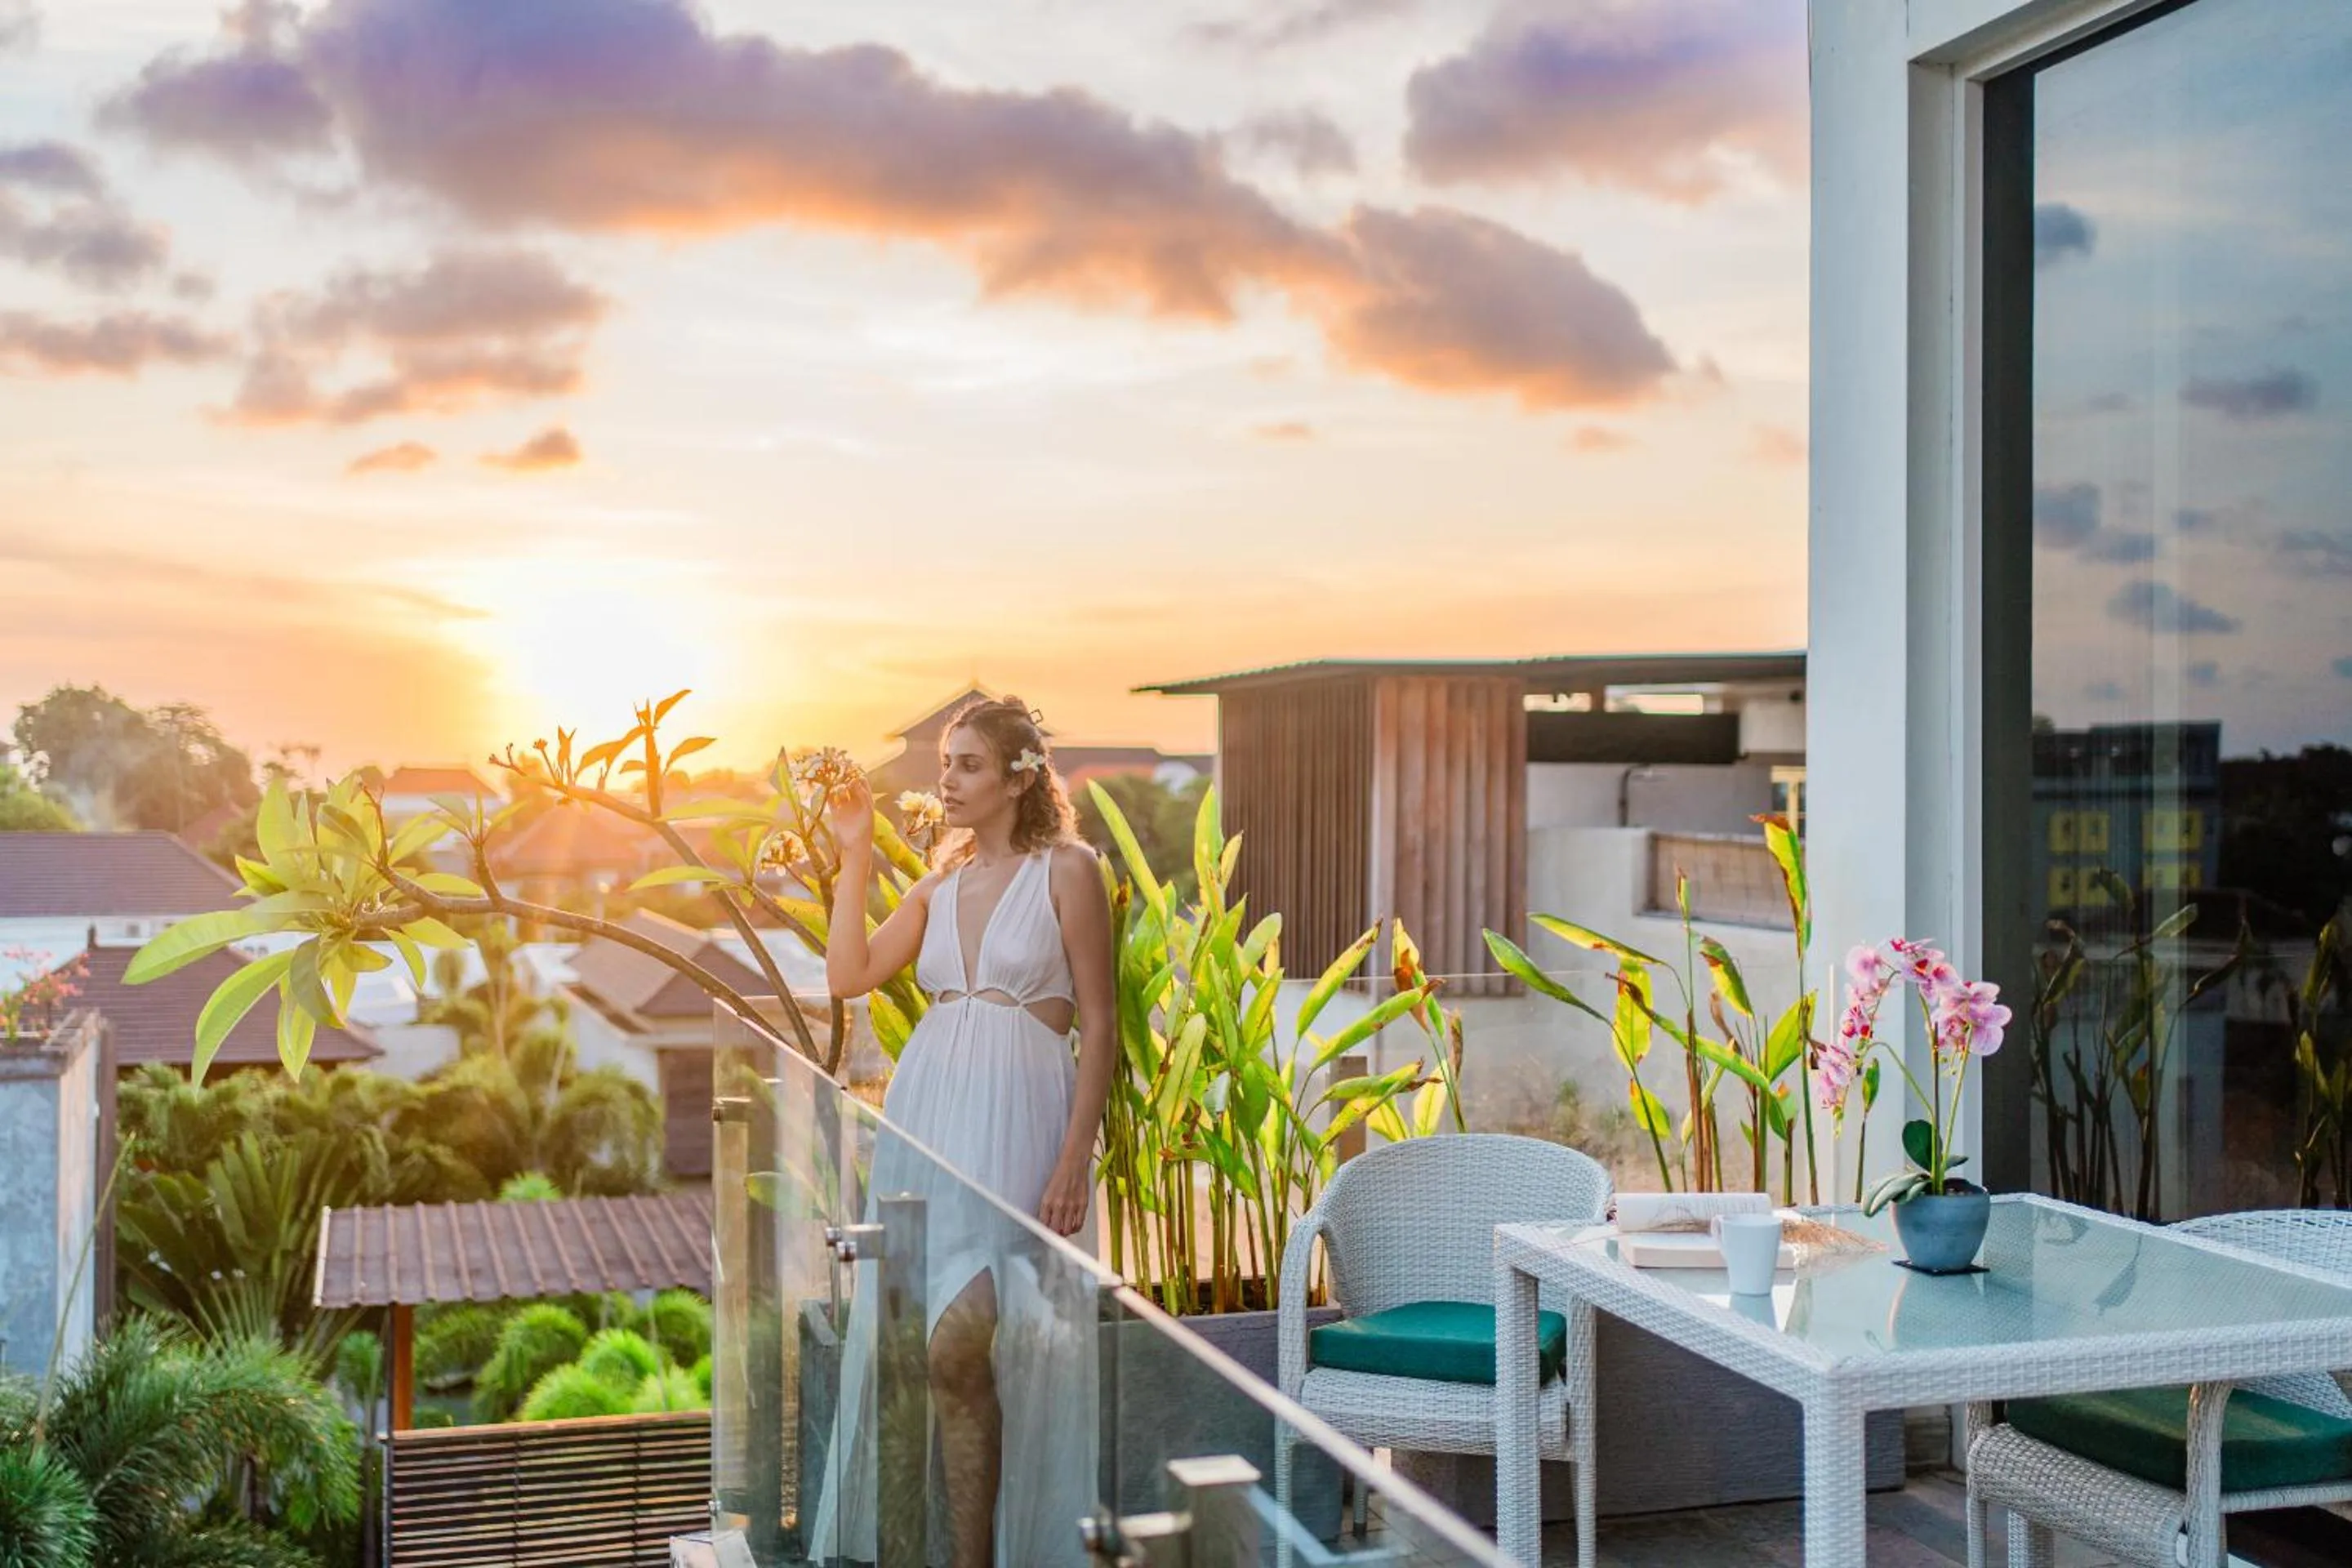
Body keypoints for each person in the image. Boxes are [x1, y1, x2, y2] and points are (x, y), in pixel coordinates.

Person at [809, 696, 1116, 1568]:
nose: (947, 779)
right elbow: (848, 973)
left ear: (1021, 776)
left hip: (1021, 1130)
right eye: (945, 763)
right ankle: (970, 1560)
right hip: (929, 1125)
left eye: (969, 764)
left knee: (962, 1338)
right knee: (948, 1364)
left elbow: (1100, 1023)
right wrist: (857, 850)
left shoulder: (1068, 870)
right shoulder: (937, 886)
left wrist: (1073, 1158)